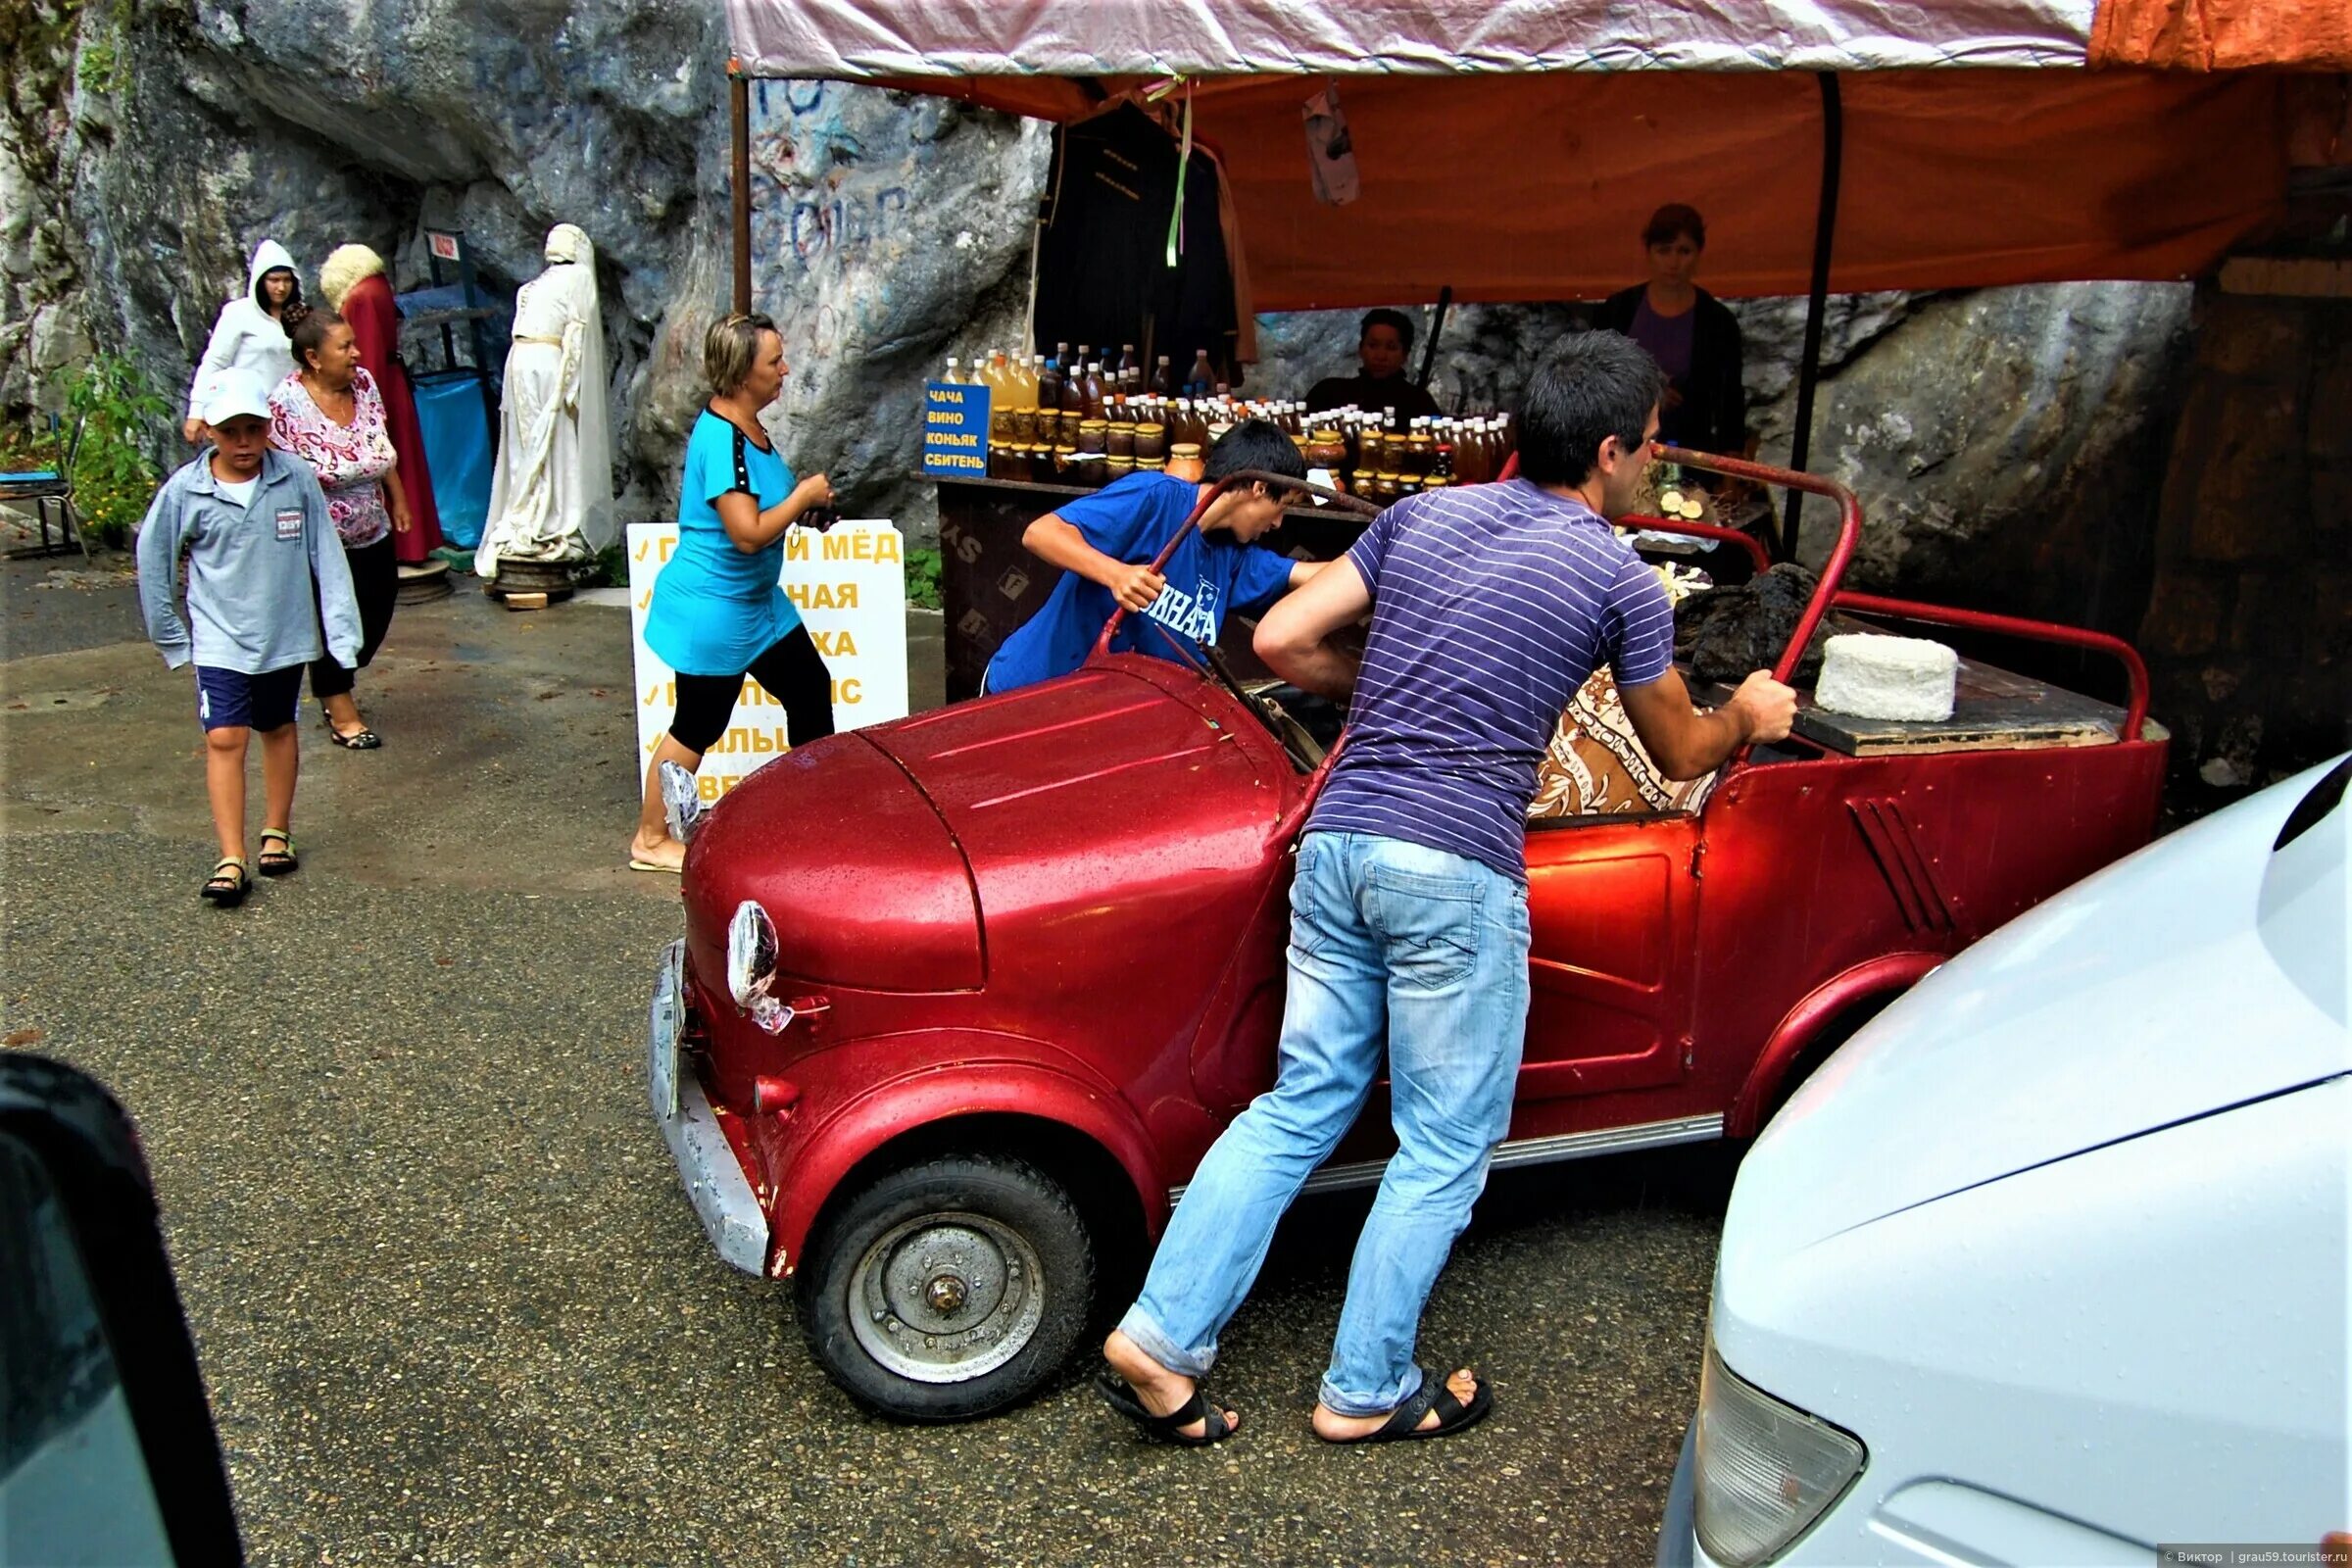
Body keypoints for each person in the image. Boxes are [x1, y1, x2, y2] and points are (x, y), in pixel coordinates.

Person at [1098, 331, 1796, 1446]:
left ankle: (1163, 1333)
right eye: (1652, 448)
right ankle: (1364, 1387)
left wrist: (1386, 690)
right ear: (1609, 451)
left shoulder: (1420, 516)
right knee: (1443, 1141)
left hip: (1339, 842)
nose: (1655, 466)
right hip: (1453, 867)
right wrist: (1748, 719)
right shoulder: (1619, 576)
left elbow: (1278, 635)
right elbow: (1675, 750)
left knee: (1298, 1105)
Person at [137, 368, 363, 907]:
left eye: (254, 430)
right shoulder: (186, 491)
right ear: (211, 431)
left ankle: (276, 831)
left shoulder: (294, 479)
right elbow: (153, 558)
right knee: (224, 738)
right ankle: (230, 856)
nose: (244, 443)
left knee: (278, 726)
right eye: (231, 431)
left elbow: (326, 557)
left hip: (283, 632)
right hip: (219, 638)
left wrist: (341, 633)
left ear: (268, 428)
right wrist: (172, 637)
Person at [627, 313, 838, 874]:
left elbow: (763, 510)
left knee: (811, 690)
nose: (785, 369)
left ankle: (816, 817)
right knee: (697, 725)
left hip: (757, 606)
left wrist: (803, 510)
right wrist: (800, 498)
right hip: (714, 608)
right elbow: (746, 534)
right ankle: (650, 838)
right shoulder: (723, 440)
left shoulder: (747, 426)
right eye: (774, 362)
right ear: (745, 373)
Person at [981, 419, 1322, 695]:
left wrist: (1373, 567)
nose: (1278, 523)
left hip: (1093, 719)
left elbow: (1312, 575)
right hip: (1027, 693)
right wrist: (1116, 574)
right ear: (1258, 488)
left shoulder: (1232, 555)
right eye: (1282, 507)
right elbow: (1040, 533)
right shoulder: (1156, 497)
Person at [268, 304, 412, 750]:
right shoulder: (285, 404)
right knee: (333, 621)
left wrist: (399, 498)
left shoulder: (364, 384)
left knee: (377, 608)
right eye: (344, 346)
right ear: (313, 357)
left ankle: (342, 674)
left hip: (372, 524)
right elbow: (278, 478)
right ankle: (339, 706)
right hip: (319, 539)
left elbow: (378, 445)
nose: (356, 353)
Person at [477, 223, 615, 580]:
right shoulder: (562, 280)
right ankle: (540, 512)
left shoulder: (553, 281)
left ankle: (546, 512)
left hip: (531, 358)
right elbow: (577, 332)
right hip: (536, 360)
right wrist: (570, 386)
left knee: (549, 438)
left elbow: (576, 332)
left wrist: (567, 383)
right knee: (536, 440)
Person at [319, 243, 445, 564]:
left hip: (381, 384)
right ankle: (413, 542)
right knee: (403, 461)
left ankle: (398, 545)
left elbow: (367, 354)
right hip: (394, 380)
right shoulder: (378, 285)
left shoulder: (360, 297)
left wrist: (360, 399)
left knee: (383, 459)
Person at [1592, 205, 1745, 461]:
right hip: (1620, 452)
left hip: (1694, 454)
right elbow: (1593, 380)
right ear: (1649, 253)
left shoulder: (1719, 322)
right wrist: (1645, 392)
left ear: (1698, 254)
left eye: (1684, 251)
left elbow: (1731, 399)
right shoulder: (1617, 312)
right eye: (1664, 251)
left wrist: (1732, 459)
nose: (1674, 263)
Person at [181, 241, 301, 445]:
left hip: (294, 414)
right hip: (248, 411)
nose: (281, 287)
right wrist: (197, 410)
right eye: (274, 280)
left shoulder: (300, 316)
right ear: (261, 281)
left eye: (287, 280)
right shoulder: (239, 313)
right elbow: (214, 362)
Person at [1303, 308, 1441, 425]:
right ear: (1361, 349)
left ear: (1405, 354)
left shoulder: (1419, 403)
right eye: (1373, 345)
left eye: (1391, 348)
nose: (1380, 356)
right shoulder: (1329, 393)